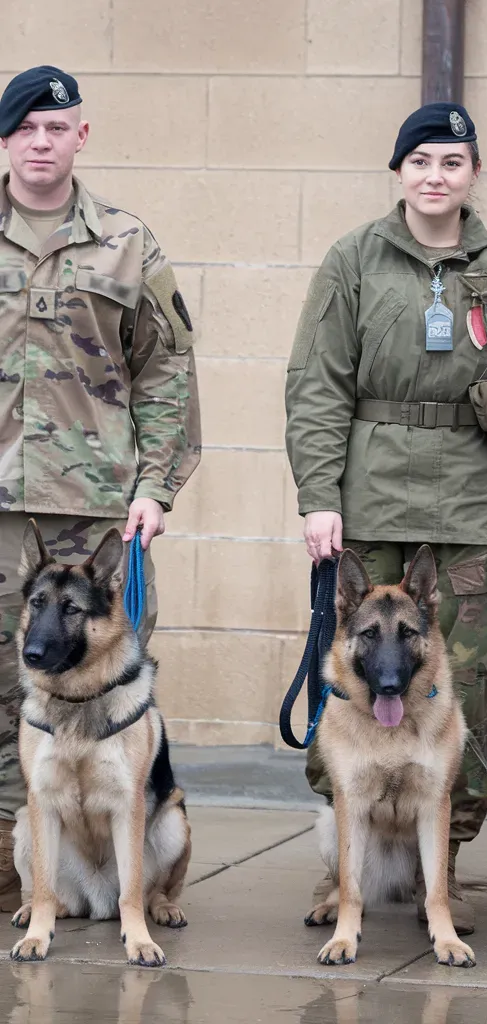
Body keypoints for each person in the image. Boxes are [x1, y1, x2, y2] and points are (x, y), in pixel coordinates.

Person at [285, 102, 487, 934]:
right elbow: (317, 386)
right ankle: (344, 868)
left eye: (451, 161)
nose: (434, 176)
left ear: (473, 171)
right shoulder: (355, 260)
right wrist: (318, 495)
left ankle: (440, 867)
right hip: (368, 506)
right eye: (420, 162)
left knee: (461, 693)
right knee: (349, 682)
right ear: (399, 173)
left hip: (473, 515)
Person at [0, 66, 201, 912]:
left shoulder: (128, 242)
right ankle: (22, 871)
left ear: (82, 135)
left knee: (99, 697)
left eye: (58, 129)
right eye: (25, 131)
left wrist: (156, 486)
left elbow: (168, 372)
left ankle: (107, 878)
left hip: (100, 520)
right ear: (6, 141)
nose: (41, 143)